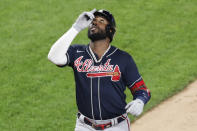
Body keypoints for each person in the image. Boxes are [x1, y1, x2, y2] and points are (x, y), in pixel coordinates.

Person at [48, 9, 151, 131]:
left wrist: (140, 101)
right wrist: (75, 28)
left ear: (110, 30)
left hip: (116, 126)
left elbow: (142, 90)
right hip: (84, 126)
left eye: (101, 21)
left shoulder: (123, 58)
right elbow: (54, 57)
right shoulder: (77, 52)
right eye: (93, 21)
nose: (95, 23)